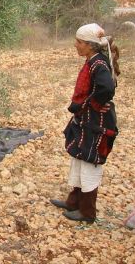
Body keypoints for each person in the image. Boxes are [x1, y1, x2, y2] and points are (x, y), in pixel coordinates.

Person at [50, 23, 119, 223]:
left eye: (79, 42)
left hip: (95, 122)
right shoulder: (93, 60)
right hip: (88, 119)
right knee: (80, 157)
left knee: (89, 161)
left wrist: (92, 104)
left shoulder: (98, 63)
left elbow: (107, 89)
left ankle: (87, 212)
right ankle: (74, 202)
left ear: (89, 45)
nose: (76, 45)